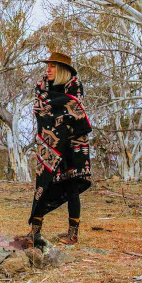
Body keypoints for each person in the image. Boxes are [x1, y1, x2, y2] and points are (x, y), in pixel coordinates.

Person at [27, 52, 93, 245]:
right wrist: (56, 105)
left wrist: (54, 105)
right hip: (50, 142)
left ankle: (73, 233)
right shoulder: (42, 86)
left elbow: (75, 109)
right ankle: (34, 231)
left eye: (53, 66)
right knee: (43, 183)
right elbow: (40, 108)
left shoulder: (74, 85)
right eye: (48, 65)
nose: (48, 69)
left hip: (74, 142)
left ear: (62, 69)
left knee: (72, 183)